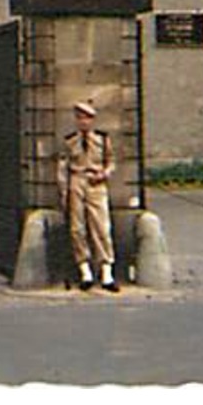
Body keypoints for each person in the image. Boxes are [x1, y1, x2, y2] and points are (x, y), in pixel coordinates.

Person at [57, 100, 118, 293]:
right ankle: (85, 271)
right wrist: (64, 191)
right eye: (80, 118)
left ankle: (106, 271)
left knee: (101, 226)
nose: (83, 122)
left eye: (87, 118)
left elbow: (111, 161)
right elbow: (62, 167)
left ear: (93, 120)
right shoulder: (70, 141)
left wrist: (104, 174)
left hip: (96, 183)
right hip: (77, 180)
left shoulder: (102, 139)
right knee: (77, 228)